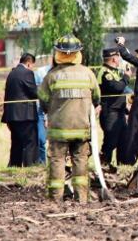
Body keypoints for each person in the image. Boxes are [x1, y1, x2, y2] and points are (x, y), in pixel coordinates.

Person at [38, 34, 100, 203]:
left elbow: (42, 100)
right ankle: (81, 198)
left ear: (58, 53)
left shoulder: (51, 76)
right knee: (80, 162)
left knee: (57, 161)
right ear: (78, 54)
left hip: (59, 130)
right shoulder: (88, 74)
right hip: (82, 128)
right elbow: (97, 98)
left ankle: (55, 199)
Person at [3, 53, 39, 167]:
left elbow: (7, 95)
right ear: (29, 63)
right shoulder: (27, 73)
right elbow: (34, 92)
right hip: (25, 114)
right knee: (30, 142)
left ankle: (14, 167)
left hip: (12, 115)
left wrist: (6, 117)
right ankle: (30, 166)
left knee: (16, 143)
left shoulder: (11, 73)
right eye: (32, 65)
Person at [97, 47, 131, 168]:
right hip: (110, 112)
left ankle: (122, 166)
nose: (120, 60)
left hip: (119, 112)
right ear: (113, 59)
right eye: (118, 57)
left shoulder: (114, 71)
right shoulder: (105, 72)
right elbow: (117, 88)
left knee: (123, 140)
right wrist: (127, 77)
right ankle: (104, 165)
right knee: (110, 141)